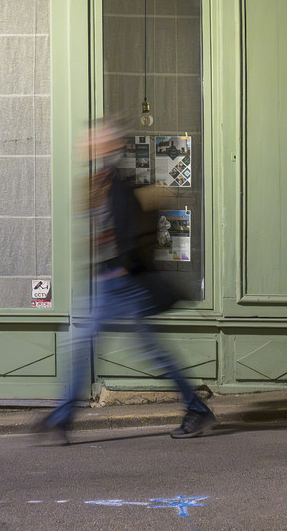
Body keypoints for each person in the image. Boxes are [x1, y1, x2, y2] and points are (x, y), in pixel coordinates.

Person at [39, 121, 216, 442]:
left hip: (123, 282)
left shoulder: (118, 185)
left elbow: (128, 231)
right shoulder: (99, 182)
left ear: (107, 146)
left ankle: (198, 409)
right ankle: (62, 418)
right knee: (86, 344)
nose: (86, 145)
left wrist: (121, 266)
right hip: (108, 281)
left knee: (147, 350)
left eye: (93, 140)